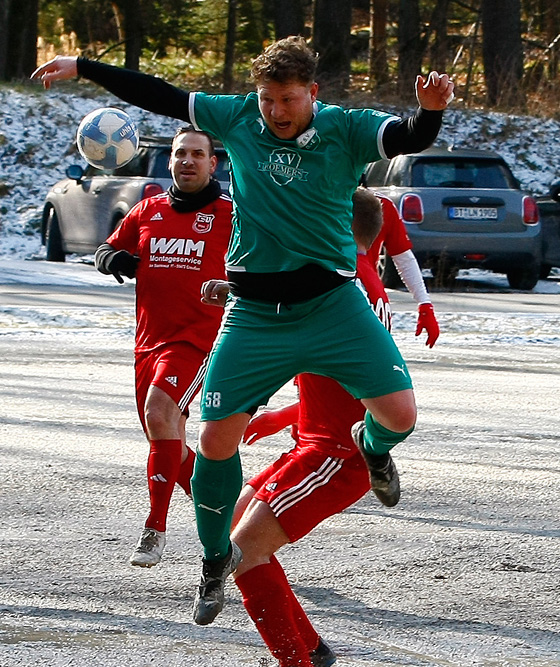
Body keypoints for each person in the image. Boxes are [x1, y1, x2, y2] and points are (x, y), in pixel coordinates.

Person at [33, 36, 454, 625]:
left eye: (286, 100)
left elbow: (411, 137)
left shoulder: (346, 128)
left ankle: (373, 451)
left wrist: (431, 107)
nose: (275, 112)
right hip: (254, 313)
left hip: (333, 304)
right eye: (267, 100)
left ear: (311, 93)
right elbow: (161, 95)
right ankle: (212, 562)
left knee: (400, 417)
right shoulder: (239, 117)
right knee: (212, 443)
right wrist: (83, 66)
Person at [200, 188, 416, 666]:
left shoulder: (346, 288)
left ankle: (296, 660)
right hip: (315, 444)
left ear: (334, 225)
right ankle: (312, 650)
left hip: (336, 456)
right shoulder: (346, 283)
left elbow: (370, 393)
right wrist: (289, 415)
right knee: (234, 527)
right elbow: (342, 380)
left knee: (243, 551)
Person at [95, 126, 233, 568]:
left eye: (197, 154)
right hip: (147, 341)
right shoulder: (148, 210)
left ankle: (154, 530)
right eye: (179, 154)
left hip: (198, 340)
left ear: (214, 163)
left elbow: (265, 260)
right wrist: (111, 259)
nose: (187, 162)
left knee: (160, 414)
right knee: (165, 437)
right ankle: (226, 520)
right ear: (170, 161)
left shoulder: (232, 214)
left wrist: (235, 287)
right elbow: (107, 249)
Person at [367, 190, 440, 347]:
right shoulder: (313, 201)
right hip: (324, 297)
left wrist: (425, 303)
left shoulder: (380, 205)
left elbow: (404, 258)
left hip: (368, 299)